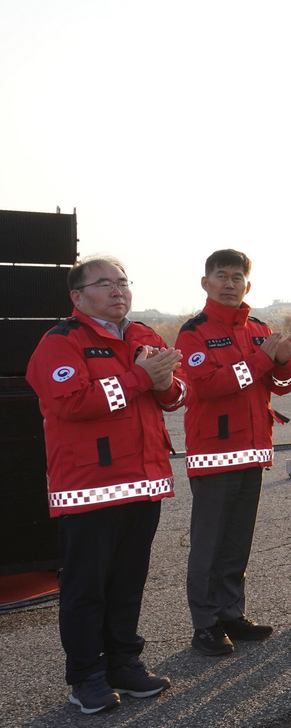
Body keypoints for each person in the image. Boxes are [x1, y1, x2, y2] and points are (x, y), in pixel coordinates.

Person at [25, 257, 186, 714]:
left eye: (123, 282)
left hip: (143, 483)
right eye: (104, 284)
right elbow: (72, 403)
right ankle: (86, 677)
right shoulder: (61, 342)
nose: (118, 291)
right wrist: (139, 379)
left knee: (128, 583)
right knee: (86, 589)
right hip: (89, 488)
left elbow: (179, 397)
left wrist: (165, 383)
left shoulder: (145, 337)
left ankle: (124, 663)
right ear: (77, 297)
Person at [177, 249, 291, 655]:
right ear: (206, 283)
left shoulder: (260, 328)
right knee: (209, 545)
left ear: (248, 284)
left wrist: (281, 363)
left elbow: (281, 386)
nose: (230, 284)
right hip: (214, 451)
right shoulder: (193, 332)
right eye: (221, 276)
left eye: (237, 277)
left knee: (236, 542)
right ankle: (205, 624)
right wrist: (264, 359)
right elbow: (208, 385)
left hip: (252, 450)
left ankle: (231, 612)